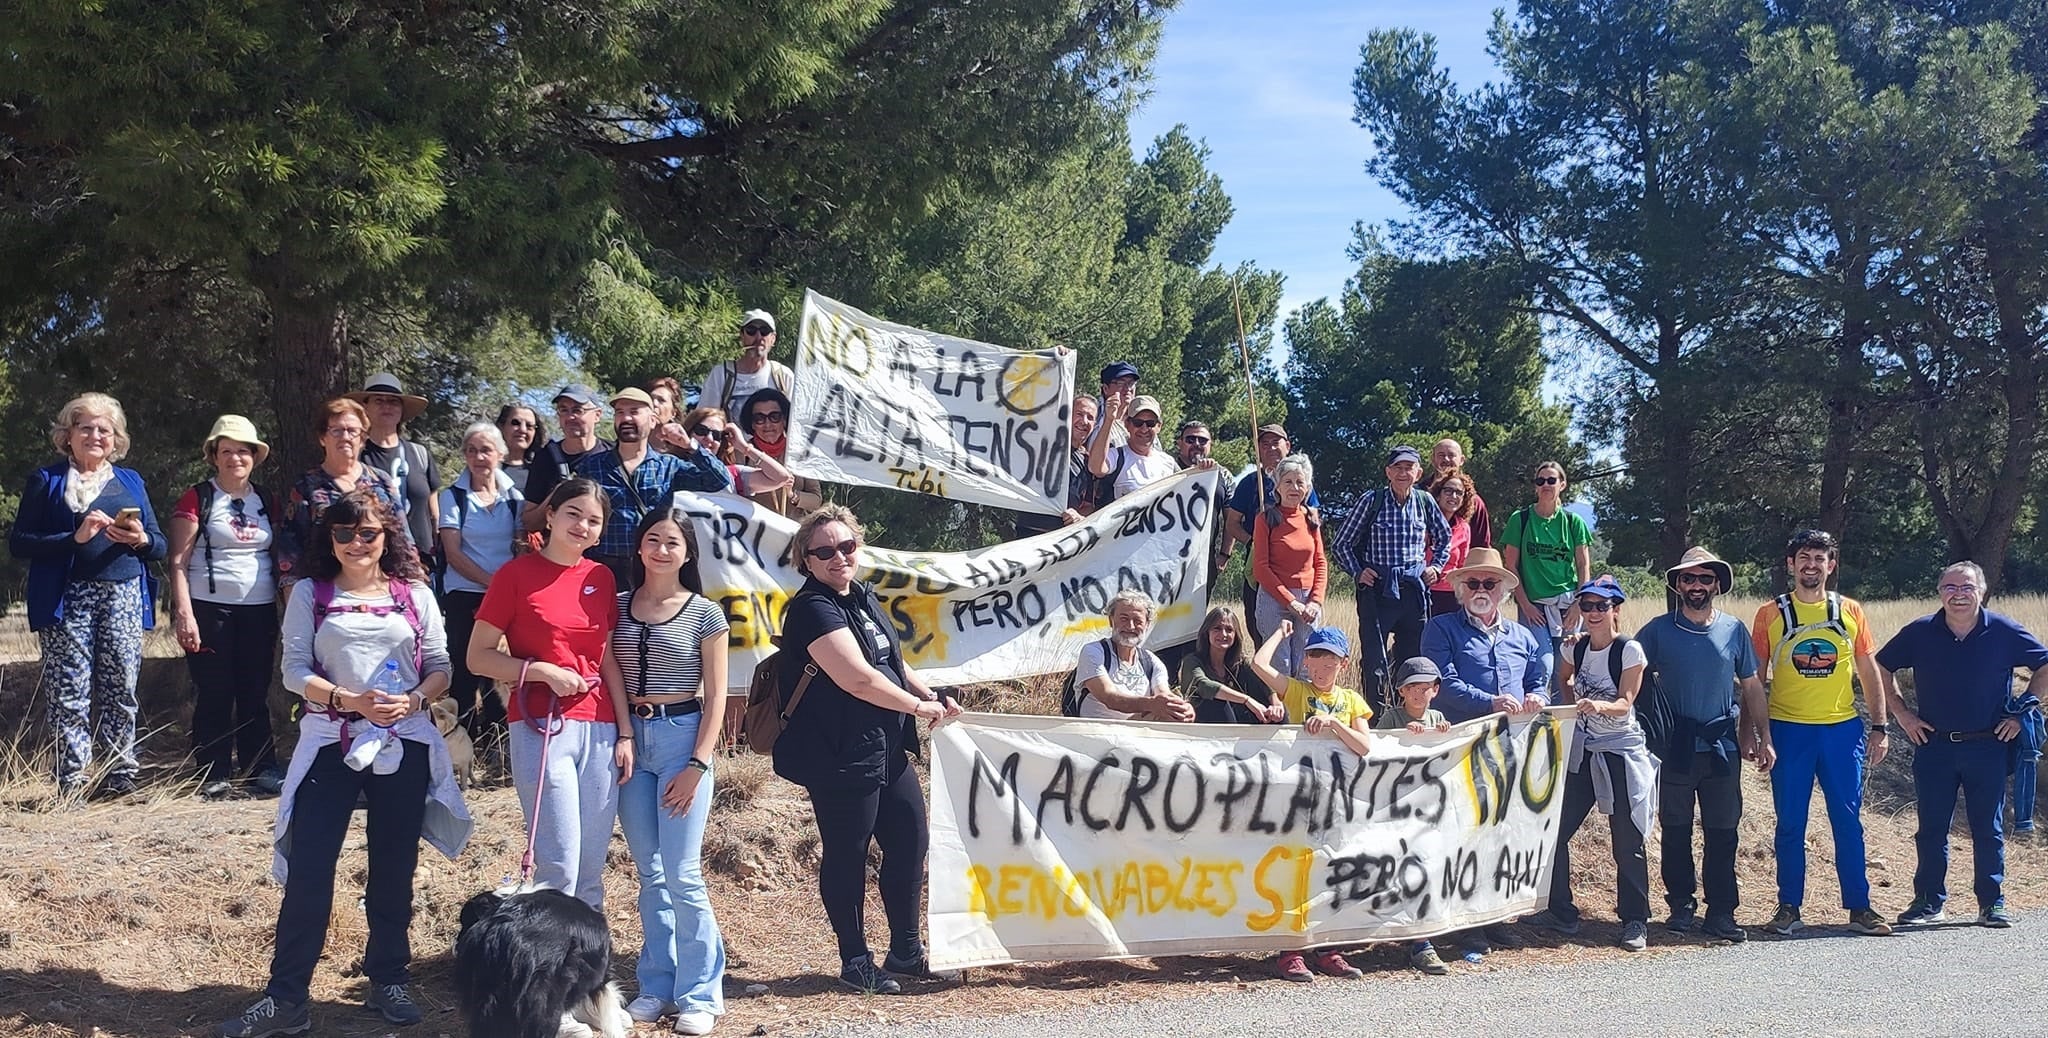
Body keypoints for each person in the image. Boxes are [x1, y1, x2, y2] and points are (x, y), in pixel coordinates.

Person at [216, 489, 470, 1038]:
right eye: (344, 532)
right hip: (330, 742)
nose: (356, 542)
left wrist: (417, 699)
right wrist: (346, 700)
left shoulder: (415, 594)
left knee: (394, 866)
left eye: (368, 533)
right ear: (328, 539)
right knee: (309, 870)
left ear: (388, 538)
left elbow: (440, 664)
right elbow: (293, 669)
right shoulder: (311, 592)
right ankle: (286, 999)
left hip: (404, 741)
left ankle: (388, 978)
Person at [771, 504, 963, 994]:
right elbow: (858, 679)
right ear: (807, 561)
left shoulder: (861, 597)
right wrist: (919, 712)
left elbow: (892, 665)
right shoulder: (813, 608)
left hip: (884, 746)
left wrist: (927, 696)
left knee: (910, 842)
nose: (839, 557)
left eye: (847, 546)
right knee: (847, 856)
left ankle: (905, 951)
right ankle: (855, 960)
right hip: (836, 753)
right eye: (824, 551)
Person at [466, 477, 633, 909]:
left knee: (592, 867)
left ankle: (587, 969)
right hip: (542, 727)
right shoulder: (514, 576)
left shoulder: (602, 577)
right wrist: (540, 671)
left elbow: (608, 659)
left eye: (593, 521)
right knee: (560, 866)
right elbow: (478, 658)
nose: (582, 526)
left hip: (600, 728)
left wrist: (626, 732)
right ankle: (552, 970)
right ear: (552, 515)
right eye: (574, 514)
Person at [601, 509, 729, 1034]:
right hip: (634, 739)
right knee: (649, 874)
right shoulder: (617, 608)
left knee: (683, 873)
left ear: (687, 553)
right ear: (639, 548)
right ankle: (656, 985)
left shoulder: (705, 614)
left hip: (683, 739)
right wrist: (625, 733)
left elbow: (718, 696)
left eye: (672, 542)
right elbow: (609, 667)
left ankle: (700, 995)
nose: (661, 550)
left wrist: (698, 763)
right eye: (652, 539)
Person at [8, 392, 166, 800]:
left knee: (121, 687)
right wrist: (73, 538)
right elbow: (21, 542)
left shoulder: (130, 481)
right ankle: (71, 781)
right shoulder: (47, 480)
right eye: (86, 427)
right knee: (69, 690)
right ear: (68, 434)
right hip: (67, 597)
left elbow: (160, 544)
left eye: (105, 429)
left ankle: (119, 775)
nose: (96, 435)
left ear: (116, 438)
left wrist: (141, 538)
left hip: (124, 595)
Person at [1876, 561, 2048, 929]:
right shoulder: (1920, 632)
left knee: (1988, 828)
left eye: (1966, 587)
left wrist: (2022, 713)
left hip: (1988, 745)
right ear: (1940, 592)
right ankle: (1928, 902)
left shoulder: (2003, 630)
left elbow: (2044, 664)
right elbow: (1882, 666)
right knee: (1931, 828)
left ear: (1981, 591)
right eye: (1950, 587)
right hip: (1934, 745)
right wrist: (1902, 714)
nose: (1958, 595)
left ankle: (1992, 902)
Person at [1750, 530, 1892, 937]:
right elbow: (1755, 679)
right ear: (1790, 564)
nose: (1811, 565)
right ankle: (1788, 906)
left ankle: (1860, 907)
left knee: (1847, 820)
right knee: (1790, 822)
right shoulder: (1769, 614)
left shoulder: (1850, 610)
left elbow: (1868, 670)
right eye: (1803, 558)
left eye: (1819, 557)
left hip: (1841, 731)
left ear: (1832, 564)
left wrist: (1880, 727)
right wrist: (1757, 733)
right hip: (1789, 730)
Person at [1416, 545, 1545, 960]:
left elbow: (1540, 677)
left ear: (1504, 589)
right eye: (1472, 582)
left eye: (1490, 582)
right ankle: (1466, 926)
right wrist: (1490, 701)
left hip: (1510, 750)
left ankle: (1491, 917)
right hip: (1459, 745)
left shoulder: (1523, 636)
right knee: (1462, 833)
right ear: (1459, 587)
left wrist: (1538, 696)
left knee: (1499, 832)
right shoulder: (1441, 629)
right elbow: (1443, 682)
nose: (1481, 589)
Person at [1636, 545, 1771, 943]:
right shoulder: (1658, 631)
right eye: (1689, 578)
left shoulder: (1734, 630)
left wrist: (1762, 736)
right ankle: (1680, 906)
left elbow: (1751, 687)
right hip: (1674, 745)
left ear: (1717, 584)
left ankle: (1722, 912)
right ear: (1678, 585)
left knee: (1723, 830)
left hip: (1721, 745)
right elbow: (1629, 670)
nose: (1696, 585)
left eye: (1705, 578)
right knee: (1675, 829)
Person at [1524, 577, 1657, 952]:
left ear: (1616, 609)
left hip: (1620, 751)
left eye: (1602, 606)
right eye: (1587, 605)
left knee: (1627, 839)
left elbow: (1626, 702)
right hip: (1584, 749)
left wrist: (1600, 706)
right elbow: (1563, 680)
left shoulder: (1629, 651)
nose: (1594, 613)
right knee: (1555, 829)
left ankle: (1635, 920)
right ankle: (1562, 911)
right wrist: (1573, 709)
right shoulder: (1574, 649)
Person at [1245, 620, 1373, 981]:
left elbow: (1364, 746)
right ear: (1304, 661)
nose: (1320, 665)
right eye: (1314, 657)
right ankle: (1291, 951)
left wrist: (1332, 723)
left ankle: (1328, 948)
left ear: (1343, 664)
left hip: (1338, 802)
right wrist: (1280, 633)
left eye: (1329, 659)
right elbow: (1259, 665)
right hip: (1297, 801)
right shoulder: (1297, 691)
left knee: (1330, 873)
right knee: (1295, 874)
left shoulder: (1351, 701)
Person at [166, 414, 283, 799]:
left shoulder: (266, 500)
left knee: (255, 690)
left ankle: (260, 768)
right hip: (209, 608)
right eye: (227, 451)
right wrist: (183, 613)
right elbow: (179, 562)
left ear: (254, 457)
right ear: (214, 456)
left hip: (259, 608)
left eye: (243, 451)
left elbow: (281, 555)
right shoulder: (198, 497)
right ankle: (212, 771)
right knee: (215, 690)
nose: (235, 458)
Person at [1331, 445, 1451, 709]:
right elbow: (1341, 544)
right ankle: (1376, 717)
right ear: (1388, 471)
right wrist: (1358, 571)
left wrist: (1436, 567)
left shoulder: (1425, 501)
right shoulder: (1370, 500)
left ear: (1418, 473)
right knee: (1375, 660)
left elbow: (1445, 537)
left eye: (1409, 467)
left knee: (1413, 658)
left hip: (1414, 589)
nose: (1403, 473)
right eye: (1398, 467)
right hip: (1377, 590)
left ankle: (1408, 714)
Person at [576, 389, 737, 584]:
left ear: (652, 420)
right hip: (603, 569)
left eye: (634, 411)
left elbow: (719, 479)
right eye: (620, 412)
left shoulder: (669, 466)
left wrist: (690, 446)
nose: (626, 418)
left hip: (654, 568)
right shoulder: (591, 466)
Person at [436, 421, 525, 746]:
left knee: (498, 669)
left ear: (500, 454)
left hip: (504, 597)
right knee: (464, 668)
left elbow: (519, 546)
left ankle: (496, 741)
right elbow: (453, 552)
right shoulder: (454, 497)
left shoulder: (514, 498)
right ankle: (462, 741)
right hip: (464, 594)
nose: (478, 457)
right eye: (471, 450)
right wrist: (494, 584)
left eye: (485, 450)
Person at [278, 398, 407, 589]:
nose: (345, 437)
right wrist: (293, 599)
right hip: (324, 592)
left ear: (363, 439)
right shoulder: (306, 486)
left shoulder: (381, 481)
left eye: (353, 431)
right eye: (336, 430)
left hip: (379, 589)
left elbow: (403, 539)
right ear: (323, 438)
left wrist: (413, 586)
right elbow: (290, 550)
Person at [1375, 656, 1451, 976]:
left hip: (1428, 813)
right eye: (1412, 688)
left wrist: (1445, 735)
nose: (1419, 695)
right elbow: (1374, 751)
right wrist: (1401, 736)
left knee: (1426, 870)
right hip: (1391, 810)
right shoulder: (1391, 717)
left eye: (1425, 688)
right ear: (1400, 690)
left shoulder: (1439, 717)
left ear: (1435, 690)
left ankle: (1422, 942)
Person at [1499, 461, 1592, 689]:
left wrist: (1579, 603)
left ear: (1562, 484)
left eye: (1552, 480)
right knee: (1542, 664)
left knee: (1565, 668)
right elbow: (1511, 566)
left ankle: (1560, 719)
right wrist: (1525, 605)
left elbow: (1583, 565)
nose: (1546, 485)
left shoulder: (1573, 522)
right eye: (1540, 481)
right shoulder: (1520, 520)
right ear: (1535, 487)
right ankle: (1535, 712)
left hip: (1568, 604)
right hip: (1534, 605)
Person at [1226, 424, 1320, 643]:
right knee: (1260, 628)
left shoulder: (1303, 483)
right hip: (1261, 565)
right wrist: (1256, 540)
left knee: (1302, 640)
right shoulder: (1249, 483)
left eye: (1275, 443)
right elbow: (1232, 524)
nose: (1270, 449)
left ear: (1287, 446)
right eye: (1264, 444)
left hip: (1296, 573)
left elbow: (1314, 520)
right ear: (1257, 449)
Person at [349, 373, 441, 567]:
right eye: (379, 401)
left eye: (393, 401)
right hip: (370, 561)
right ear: (365, 407)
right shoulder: (355, 457)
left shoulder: (419, 454)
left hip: (421, 561)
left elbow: (434, 513)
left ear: (401, 410)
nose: (387, 406)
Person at [1250, 454, 1327, 678]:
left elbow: (1320, 562)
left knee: (1306, 667)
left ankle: (1304, 714)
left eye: (1300, 482)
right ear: (1278, 487)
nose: (1294, 487)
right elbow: (1261, 568)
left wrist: (1315, 601)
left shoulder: (1312, 518)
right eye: (1288, 482)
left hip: (1308, 603)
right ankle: (1281, 713)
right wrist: (1291, 602)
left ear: (1308, 487)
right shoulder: (1265, 519)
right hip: (1274, 600)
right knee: (1279, 666)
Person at [1071, 590, 1194, 722]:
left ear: (1147, 625)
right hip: (1096, 733)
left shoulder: (1151, 661)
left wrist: (1182, 708)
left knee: (1174, 715)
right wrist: (1151, 704)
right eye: (1124, 619)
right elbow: (1110, 698)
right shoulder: (1094, 652)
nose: (1130, 626)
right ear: (1111, 620)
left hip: (1137, 732)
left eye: (1137, 621)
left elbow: (1163, 695)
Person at [523, 384, 614, 528]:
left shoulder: (613, 454)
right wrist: (558, 494)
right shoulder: (545, 458)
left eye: (578, 410)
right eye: (563, 410)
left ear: (597, 415)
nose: (570, 417)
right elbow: (529, 522)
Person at [1175, 606, 1283, 724]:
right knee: (1218, 702)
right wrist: (1246, 700)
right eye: (1217, 628)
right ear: (1207, 633)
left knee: (1277, 711)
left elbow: (1262, 680)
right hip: (1204, 725)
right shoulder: (1192, 661)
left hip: (1237, 722)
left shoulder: (1239, 663)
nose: (1223, 634)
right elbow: (1205, 685)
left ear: (1235, 635)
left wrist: (1276, 703)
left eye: (1229, 629)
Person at [1015, 393, 1100, 539]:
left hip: (1064, 541)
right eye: (1079, 414)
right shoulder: (1042, 442)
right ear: (1067, 415)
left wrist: (1079, 517)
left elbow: (1088, 505)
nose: (1084, 421)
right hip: (1029, 536)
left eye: (1090, 417)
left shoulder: (1088, 461)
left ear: (1095, 425)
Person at [673, 405, 798, 500]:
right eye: (701, 430)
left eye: (717, 435)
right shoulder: (667, 466)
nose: (709, 439)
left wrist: (744, 447)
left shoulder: (732, 475)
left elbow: (781, 477)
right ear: (688, 432)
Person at [739, 388, 823, 518]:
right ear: (752, 424)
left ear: (784, 420)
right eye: (759, 418)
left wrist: (793, 495)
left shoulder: (801, 451)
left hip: (794, 533)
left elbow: (816, 501)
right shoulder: (742, 453)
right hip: (753, 531)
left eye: (774, 417)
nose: (767, 424)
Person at [1085, 394, 1183, 502]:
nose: (1144, 429)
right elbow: (1095, 468)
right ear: (1127, 424)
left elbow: (1187, 489)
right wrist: (1109, 420)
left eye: (1150, 423)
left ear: (1159, 426)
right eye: (1138, 423)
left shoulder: (1168, 462)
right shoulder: (1117, 456)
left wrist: (1203, 468)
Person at [699, 309, 794, 417]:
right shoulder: (721, 374)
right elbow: (705, 419)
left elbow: (797, 421)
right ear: (742, 336)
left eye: (764, 331)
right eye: (751, 330)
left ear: (773, 339)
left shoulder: (783, 376)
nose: (758, 337)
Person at [1426, 472, 1477, 617]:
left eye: (1459, 493)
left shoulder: (1464, 527)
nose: (1453, 496)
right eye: (1448, 491)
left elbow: (1462, 565)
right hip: (1424, 591)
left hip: (1451, 595)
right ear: (1438, 494)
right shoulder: (1423, 521)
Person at [1426, 438, 1492, 547]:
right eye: (1441, 455)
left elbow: (1481, 546)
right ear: (1433, 459)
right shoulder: (1419, 494)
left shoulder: (1475, 502)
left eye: (1452, 455)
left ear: (1461, 460)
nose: (1446, 459)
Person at [496, 403, 548, 495]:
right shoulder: (486, 469)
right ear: (501, 426)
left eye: (529, 426)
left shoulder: (543, 473)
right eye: (515, 423)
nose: (523, 430)